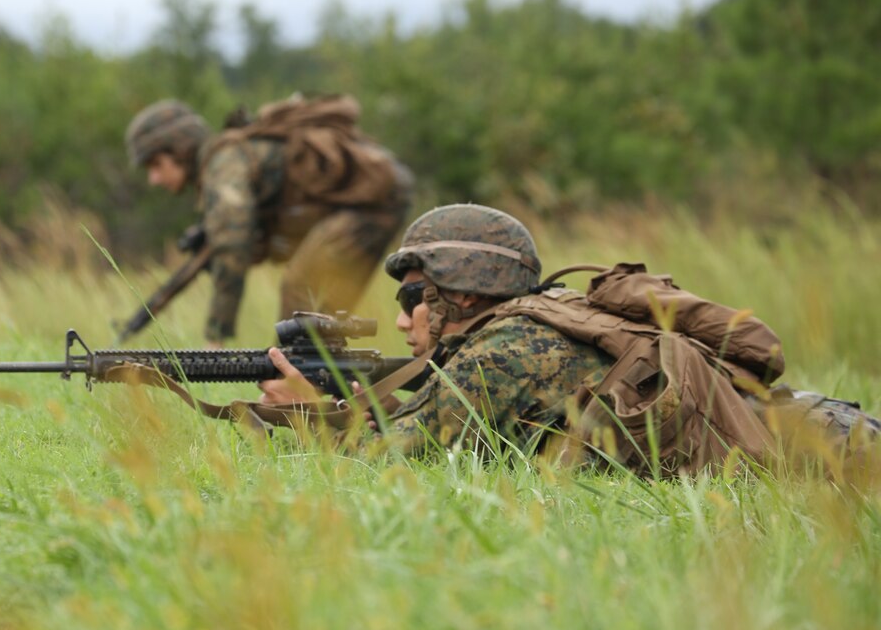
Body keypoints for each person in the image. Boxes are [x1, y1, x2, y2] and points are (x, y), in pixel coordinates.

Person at [259, 203, 881, 475]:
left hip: (828, 453)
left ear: (464, 292)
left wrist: (306, 419)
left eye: (412, 298)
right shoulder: (535, 322)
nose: (402, 320)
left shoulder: (504, 352)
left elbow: (398, 457)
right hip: (822, 430)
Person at [125, 95, 413, 345]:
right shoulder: (228, 157)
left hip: (372, 203)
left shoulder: (222, 164)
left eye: (156, 164)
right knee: (319, 322)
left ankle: (292, 391)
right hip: (376, 201)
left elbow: (232, 243)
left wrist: (216, 335)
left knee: (300, 289)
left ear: (179, 151)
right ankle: (326, 392)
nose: (153, 179)